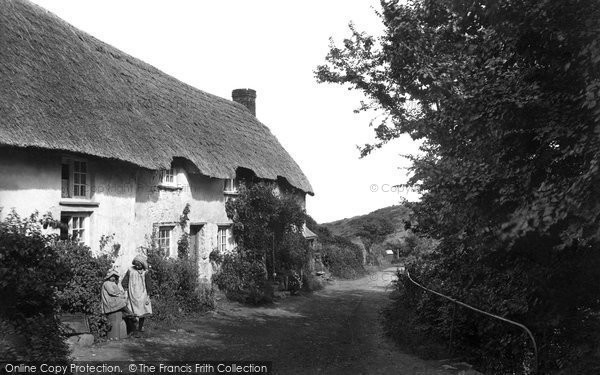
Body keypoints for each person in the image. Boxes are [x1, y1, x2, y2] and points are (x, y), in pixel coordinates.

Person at [122, 254, 152, 336]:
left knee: (142, 312)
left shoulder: (145, 273)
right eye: (136, 264)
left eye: (139, 264)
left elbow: (148, 284)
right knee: (131, 311)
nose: (137, 266)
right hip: (132, 293)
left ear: (142, 264)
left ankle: (139, 329)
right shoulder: (130, 270)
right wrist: (125, 291)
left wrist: (148, 295)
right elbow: (124, 281)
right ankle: (133, 329)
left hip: (142, 294)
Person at [101, 269, 133, 337]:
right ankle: (128, 312)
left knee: (124, 299)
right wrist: (119, 294)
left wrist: (121, 294)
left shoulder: (113, 283)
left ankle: (127, 314)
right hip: (109, 301)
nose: (114, 278)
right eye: (113, 276)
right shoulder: (106, 283)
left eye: (115, 277)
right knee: (121, 301)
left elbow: (117, 291)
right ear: (110, 277)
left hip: (113, 299)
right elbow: (111, 292)